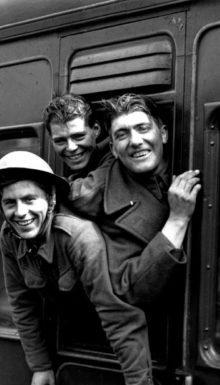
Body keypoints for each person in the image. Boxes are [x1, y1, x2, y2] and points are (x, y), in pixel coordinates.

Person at [0, 150, 154, 385]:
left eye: (29, 199)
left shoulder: (78, 236)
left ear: (51, 199)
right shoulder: (9, 237)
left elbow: (114, 311)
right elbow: (22, 305)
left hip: (112, 341)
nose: (20, 212)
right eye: (10, 203)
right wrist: (40, 366)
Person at [67, 93, 201, 306]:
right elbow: (128, 288)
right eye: (122, 135)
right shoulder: (103, 199)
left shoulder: (197, 159)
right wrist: (177, 219)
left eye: (143, 128)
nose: (136, 141)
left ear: (163, 134)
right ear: (113, 149)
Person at [42, 94, 112, 179]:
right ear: (51, 140)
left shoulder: (115, 159)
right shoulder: (79, 175)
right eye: (60, 141)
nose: (71, 148)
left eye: (78, 136)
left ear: (96, 129)